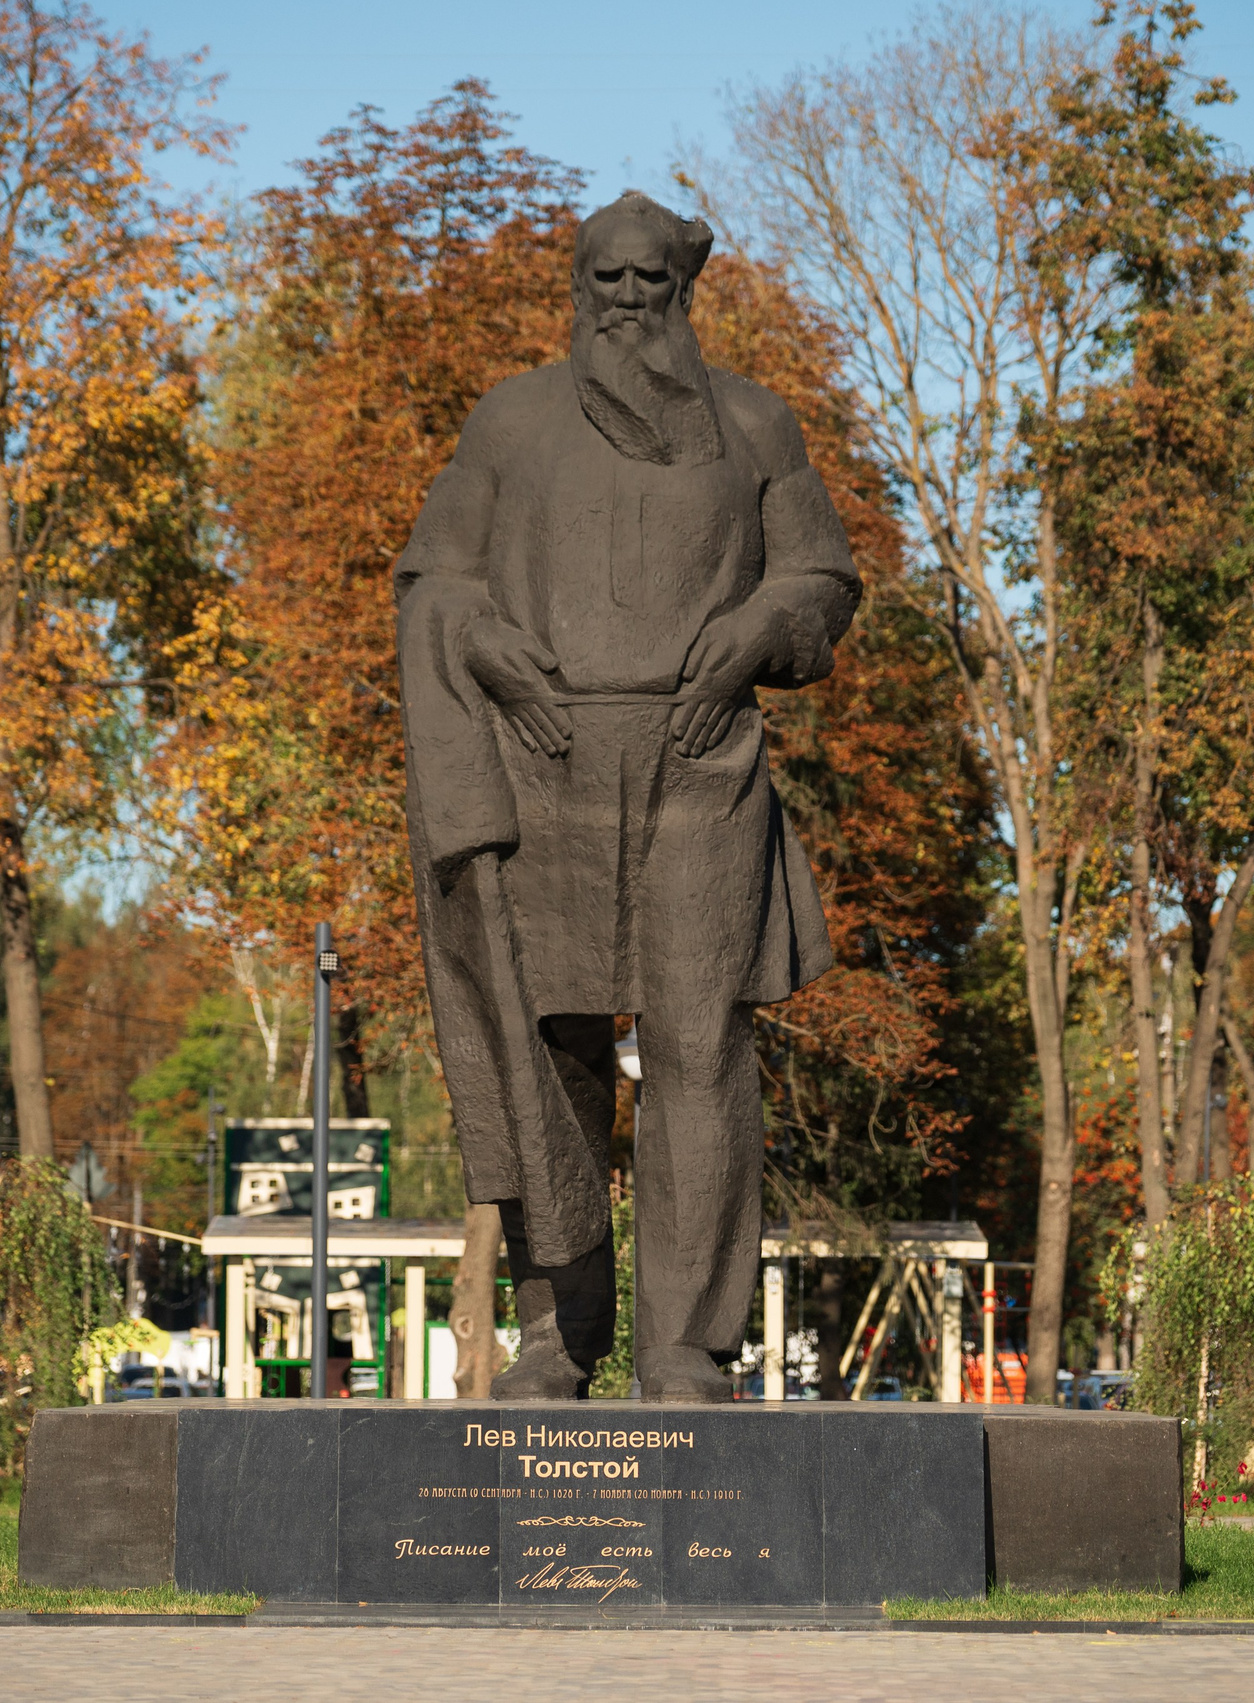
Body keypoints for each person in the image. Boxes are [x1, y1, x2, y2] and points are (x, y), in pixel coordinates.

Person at [396, 192, 859, 1402]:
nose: (626, 297)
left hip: (701, 765)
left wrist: (762, 620)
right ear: (576, 283)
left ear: (683, 288)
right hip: (544, 764)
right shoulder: (511, 422)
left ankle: (685, 1344)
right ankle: (561, 1334)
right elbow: (432, 573)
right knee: (551, 1048)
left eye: (649, 278)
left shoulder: (757, 425)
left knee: (701, 1049)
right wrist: (484, 643)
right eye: (605, 276)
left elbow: (822, 572)